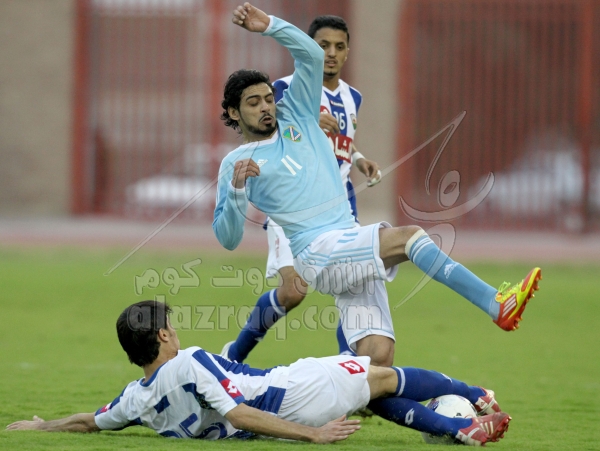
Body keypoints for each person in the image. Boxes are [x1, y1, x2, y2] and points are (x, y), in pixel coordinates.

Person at [212, 3, 542, 367]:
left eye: (268, 99)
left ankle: (320, 390)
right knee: (409, 237)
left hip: (346, 238)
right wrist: (238, 191)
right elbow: (227, 238)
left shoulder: (298, 113)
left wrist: (270, 25)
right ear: (234, 113)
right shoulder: (234, 164)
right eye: (254, 103)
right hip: (319, 252)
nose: (266, 107)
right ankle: (495, 303)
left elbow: (310, 55)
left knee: (378, 357)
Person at [6, 300, 511, 446]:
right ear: (162, 336)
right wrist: (313, 435)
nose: (177, 332)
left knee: (370, 393)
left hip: (283, 408)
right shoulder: (189, 360)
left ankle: (462, 422)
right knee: (382, 375)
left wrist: (43, 426)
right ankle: (471, 404)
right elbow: (239, 413)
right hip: (290, 395)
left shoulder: (134, 400)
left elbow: (90, 422)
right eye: (171, 327)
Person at [222, 14, 382, 363]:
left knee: (353, 282)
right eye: (323, 45)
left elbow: (340, 140)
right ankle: (233, 355)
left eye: (339, 46)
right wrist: (306, 117)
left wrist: (358, 159)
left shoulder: (353, 96)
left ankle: (351, 366)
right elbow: (271, 129)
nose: (331, 53)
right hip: (294, 208)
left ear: (348, 52)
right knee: (293, 291)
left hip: (339, 204)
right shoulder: (284, 88)